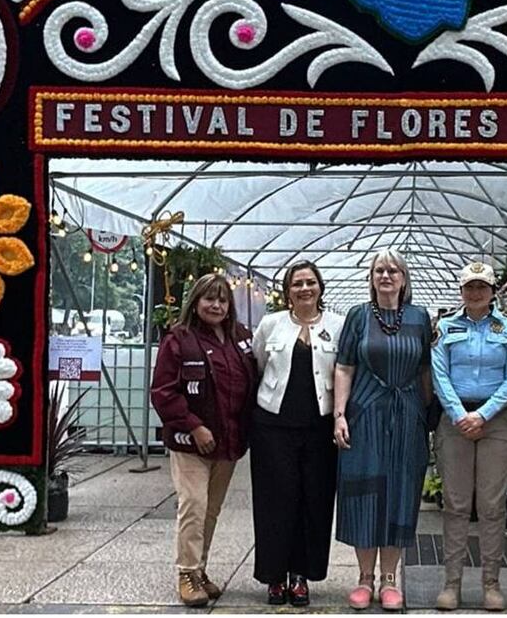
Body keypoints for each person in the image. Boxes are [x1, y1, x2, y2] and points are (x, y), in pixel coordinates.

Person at [333, 248, 433, 612]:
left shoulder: (419, 318)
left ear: (404, 279)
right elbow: (344, 367)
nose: (386, 275)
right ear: (372, 278)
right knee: (364, 492)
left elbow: (425, 370)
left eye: (393, 270)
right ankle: (364, 577)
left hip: (406, 416)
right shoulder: (358, 316)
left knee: (400, 492)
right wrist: (339, 415)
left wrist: (426, 417)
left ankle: (390, 579)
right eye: (379, 270)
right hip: (364, 414)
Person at [150, 274, 257, 607]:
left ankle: (200, 570)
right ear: (196, 302)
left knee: (210, 510)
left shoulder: (241, 338)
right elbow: (163, 392)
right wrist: (194, 425)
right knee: (193, 506)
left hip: (228, 442)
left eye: (223, 300)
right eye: (209, 298)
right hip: (191, 443)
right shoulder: (178, 340)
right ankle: (186, 572)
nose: (216, 305)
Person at [250, 261, 345, 607]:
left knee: (314, 501)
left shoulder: (338, 325)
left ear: (320, 287)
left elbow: (345, 371)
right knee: (275, 501)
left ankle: (301, 576)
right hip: (273, 427)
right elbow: (259, 364)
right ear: (287, 291)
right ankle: (274, 576)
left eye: (310, 282)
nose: (304, 288)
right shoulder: (271, 324)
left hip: (320, 428)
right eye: (297, 283)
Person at [430, 262, 507, 612]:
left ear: (492, 291)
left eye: (481, 287)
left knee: (491, 506)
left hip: (496, 421)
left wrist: (483, 415)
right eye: (469, 287)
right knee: (455, 505)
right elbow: (439, 373)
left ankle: (491, 584)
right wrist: (460, 415)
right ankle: (451, 584)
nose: (475, 293)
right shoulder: (444, 328)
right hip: (455, 420)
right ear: (461, 291)